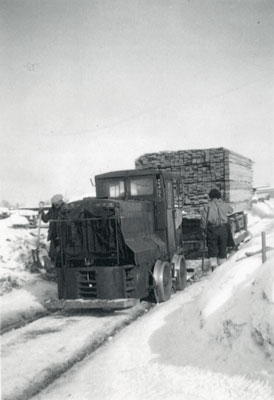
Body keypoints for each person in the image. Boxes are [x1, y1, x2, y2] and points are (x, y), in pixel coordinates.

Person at [201, 188, 233, 271]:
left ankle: (214, 268)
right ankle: (222, 269)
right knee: (222, 247)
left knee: (212, 248)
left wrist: (203, 229)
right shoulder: (224, 205)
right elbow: (231, 210)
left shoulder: (207, 206)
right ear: (219, 196)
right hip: (223, 229)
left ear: (210, 197)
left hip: (212, 230)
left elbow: (204, 220)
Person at [40, 194, 66, 263]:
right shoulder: (52, 210)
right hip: (54, 234)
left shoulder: (65, 209)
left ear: (61, 202)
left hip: (63, 235)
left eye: (57, 204)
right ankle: (54, 268)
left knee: (63, 253)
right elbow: (45, 219)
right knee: (52, 253)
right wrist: (42, 213)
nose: (56, 206)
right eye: (54, 204)